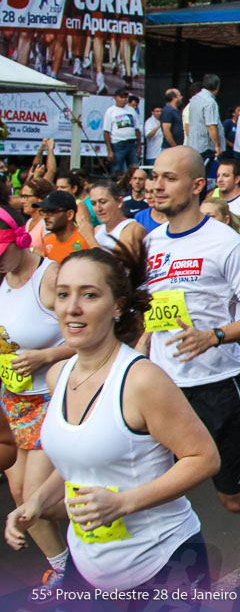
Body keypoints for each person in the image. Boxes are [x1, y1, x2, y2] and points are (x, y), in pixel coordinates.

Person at [5, 246, 220, 595]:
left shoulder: (141, 380)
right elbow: (78, 459)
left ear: (117, 306)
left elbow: (204, 459)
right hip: (87, 564)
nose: (72, 307)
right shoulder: (58, 375)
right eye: (63, 294)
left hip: (163, 564)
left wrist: (123, 503)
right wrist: (37, 503)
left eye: (89, 295)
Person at [145, 146, 240, 514]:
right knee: (151, 487)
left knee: (234, 499)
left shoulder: (226, 243)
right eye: (155, 176)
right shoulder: (149, 243)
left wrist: (214, 336)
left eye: (169, 178)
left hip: (216, 387)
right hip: (162, 390)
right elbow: (146, 316)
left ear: (197, 186)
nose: (157, 186)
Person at [0, 205, 74, 591]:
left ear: (17, 238)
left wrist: (46, 356)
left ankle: (113, 518)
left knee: (34, 498)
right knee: (17, 493)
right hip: (13, 400)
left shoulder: (51, 276)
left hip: (53, 398)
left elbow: (88, 332)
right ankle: (64, 565)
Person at [89, 180, 146, 258]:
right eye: (93, 203)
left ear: (119, 201)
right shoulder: (97, 230)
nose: (98, 208)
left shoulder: (134, 229)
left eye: (103, 202)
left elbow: (115, 266)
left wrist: (88, 236)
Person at [35, 191, 92, 263]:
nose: (46, 217)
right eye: (44, 211)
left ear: (69, 214)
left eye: (52, 211)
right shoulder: (48, 242)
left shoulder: (86, 239)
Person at [185, 74, 222, 167]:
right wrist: (217, 145)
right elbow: (211, 125)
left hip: (193, 144)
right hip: (205, 146)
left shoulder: (194, 99)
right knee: (203, 174)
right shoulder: (210, 102)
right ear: (217, 87)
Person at [102, 88, 142, 174]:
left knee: (134, 169)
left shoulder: (131, 110)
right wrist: (109, 150)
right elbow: (106, 132)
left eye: (125, 97)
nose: (123, 99)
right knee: (116, 169)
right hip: (118, 144)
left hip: (131, 143)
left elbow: (137, 129)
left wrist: (139, 146)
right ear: (115, 98)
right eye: (121, 97)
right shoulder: (110, 111)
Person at [18, 178, 54, 255]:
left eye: (26, 197)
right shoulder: (29, 222)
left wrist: (30, 249)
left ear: (40, 199)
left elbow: (51, 254)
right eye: (22, 197)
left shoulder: (46, 223)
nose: (22, 201)